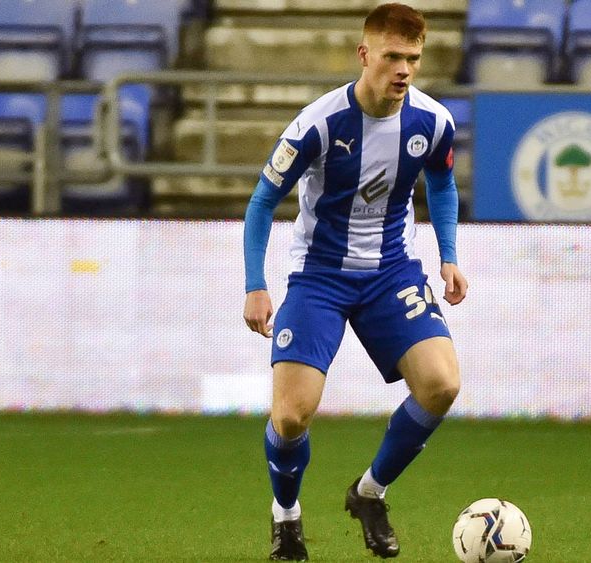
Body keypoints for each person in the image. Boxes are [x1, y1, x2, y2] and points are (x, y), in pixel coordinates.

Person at [242, 3, 467, 560]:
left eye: (413, 59)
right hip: (319, 277)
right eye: (393, 57)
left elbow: (440, 183)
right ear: (365, 55)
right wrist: (256, 282)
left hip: (391, 271)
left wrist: (448, 255)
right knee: (291, 415)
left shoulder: (433, 121)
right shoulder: (318, 123)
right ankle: (286, 515)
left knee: (442, 384)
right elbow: (263, 200)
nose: (404, 70)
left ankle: (370, 493)